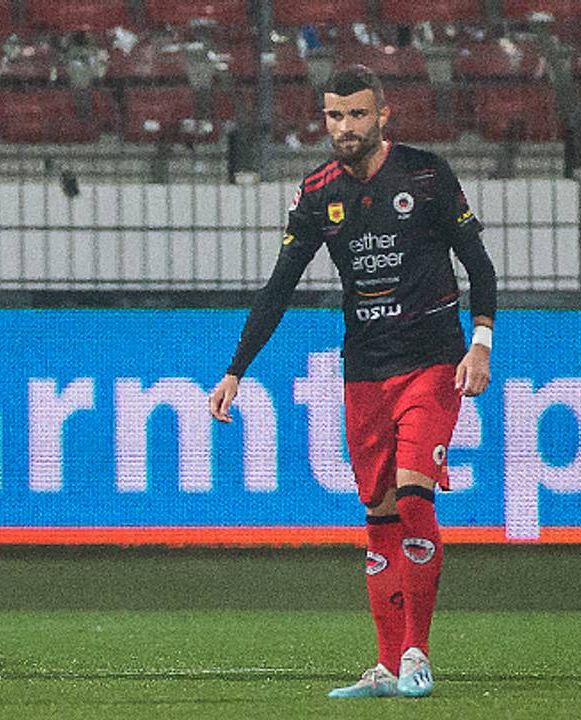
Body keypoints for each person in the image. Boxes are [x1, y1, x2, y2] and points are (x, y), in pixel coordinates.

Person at [207, 65, 496, 700]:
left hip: (433, 361)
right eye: (335, 116)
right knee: (378, 516)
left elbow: (478, 264)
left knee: (415, 495)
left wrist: (480, 342)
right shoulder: (317, 191)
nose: (345, 127)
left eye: (358, 115)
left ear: (383, 116)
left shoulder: (427, 175)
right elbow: (279, 285)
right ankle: (388, 664)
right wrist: (235, 369)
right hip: (364, 368)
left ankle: (418, 654)